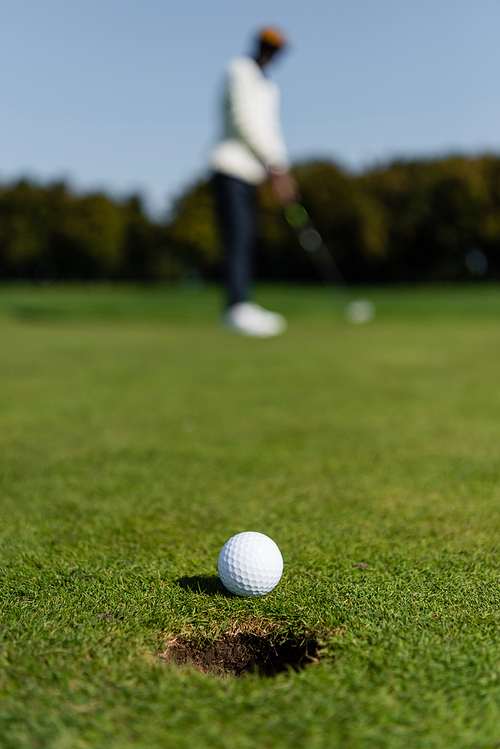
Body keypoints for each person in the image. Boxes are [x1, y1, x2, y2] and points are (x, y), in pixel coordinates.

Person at [210, 27, 297, 337]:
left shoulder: (270, 87)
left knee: (247, 239)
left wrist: (282, 170)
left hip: (252, 173)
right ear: (260, 47)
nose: (272, 55)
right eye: (268, 48)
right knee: (237, 238)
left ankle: (242, 304)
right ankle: (236, 308)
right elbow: (244, 121)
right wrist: (274, 164)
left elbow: (271, 129)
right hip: (229, 166)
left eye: (277, 51)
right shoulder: (240, 71)